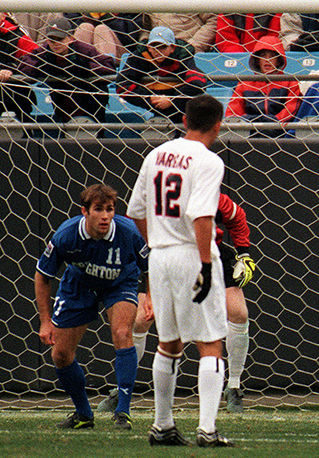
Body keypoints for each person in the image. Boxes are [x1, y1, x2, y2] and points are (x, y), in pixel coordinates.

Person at [126, 94, 233, 447]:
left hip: (159, 256)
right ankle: (208, 429)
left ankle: (162, 425)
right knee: (211, 342)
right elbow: (201, 215)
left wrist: (156, 240)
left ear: (185, 120)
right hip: (191, 254)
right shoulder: (209, 160)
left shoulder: (156, 154)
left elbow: (136, 210)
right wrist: (204, 262)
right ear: (218, 125)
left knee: (168, 343)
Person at [98, 192, 256, 415]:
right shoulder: (157, 196)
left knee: (238, 313)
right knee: (141, 320)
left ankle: (234, 387)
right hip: (165, 257)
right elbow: (133, 220)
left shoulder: (212, 196)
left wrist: (244, 254)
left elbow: (237, 217)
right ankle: (123, 389)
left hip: (210, 255)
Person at [35, 184, 149, 431]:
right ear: (84, 211)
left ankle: (123, 412)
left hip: (120, 283)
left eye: (110, 209)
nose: (105, 216)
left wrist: (149, 296)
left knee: (122, 334)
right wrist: (45, 320)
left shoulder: (129, 232)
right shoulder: (67, 235)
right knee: (60, 354)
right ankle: (84, 414)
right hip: (79, 284)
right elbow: (42, 275)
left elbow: (151, 265)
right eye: (99, 209)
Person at [19, 18, 116, 123]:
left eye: (60, 39)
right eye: (52, 40)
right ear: (47, 40)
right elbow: (24, 65)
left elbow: (108, 65)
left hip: (90, 101)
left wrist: (86, 68)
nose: (56, 44)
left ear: (70, 38)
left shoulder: (84, 50)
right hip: (61, 102)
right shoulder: (44, 52)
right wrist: (39, 67)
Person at [116, 26, 207, 123]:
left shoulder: (182, 55)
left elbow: (197, 82)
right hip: (153, 104)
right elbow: (122, 85)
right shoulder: (138, 56)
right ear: (148, 47)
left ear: (172, 48)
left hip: (181, 107)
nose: (158, 51)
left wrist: (172, 100)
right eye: (154, 47)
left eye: (163, 47)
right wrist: (149, 98)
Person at [225, 35, 301, 138]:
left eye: (272, 56)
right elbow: (233, 111)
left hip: (279, 130)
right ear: (257, 60)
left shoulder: (290, 82)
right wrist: (247, 121)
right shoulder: (245, 83)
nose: (267, 60)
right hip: (249, 130)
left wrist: (274, 121)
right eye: (263, 56)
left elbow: (291, 110)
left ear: (279, 60)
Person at [61, 0, 143, 58]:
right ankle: (79, 66)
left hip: (119, 52)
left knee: (101, 29)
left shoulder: (127, 1)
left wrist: (108, 17)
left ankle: (105, 67)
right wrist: (88, 16)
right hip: (86, 51)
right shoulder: (77, 0)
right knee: (85, 27)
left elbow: (130, 38)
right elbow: (68, 30)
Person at [141, 0, 218, 53]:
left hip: (191, 57)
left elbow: (215, 19)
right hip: (157, 58)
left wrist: (192, 47)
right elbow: (144, 27)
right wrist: (144, 42)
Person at [215, 0, 282, 53]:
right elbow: (225, 38)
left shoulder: (277, 2)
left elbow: (274, 35)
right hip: (236, 58)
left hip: (265, 57)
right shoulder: (229, 2)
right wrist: (241, 57)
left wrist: (259, 57)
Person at [0, 12, 38, 123]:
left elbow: (36, 61)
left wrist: (11, 69)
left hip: (15, 96)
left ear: (4, 16)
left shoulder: (17, 37)